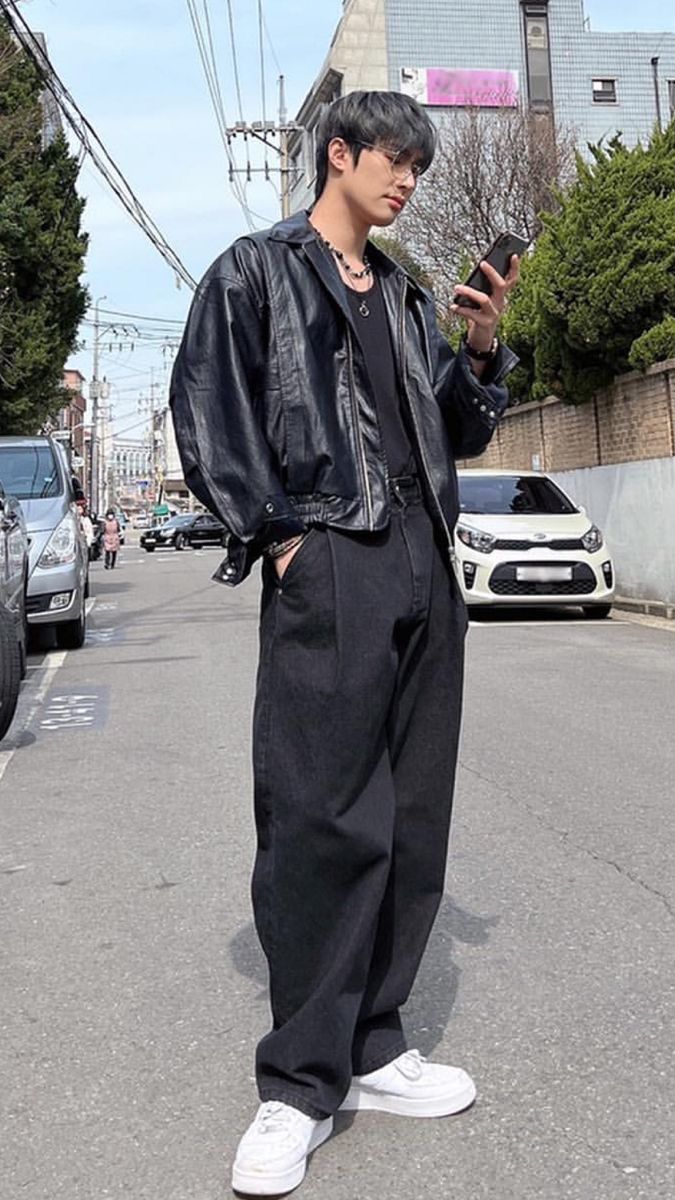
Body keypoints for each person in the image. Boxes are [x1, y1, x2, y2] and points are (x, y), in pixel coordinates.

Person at [170, 90, 520, 1196]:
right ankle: (298, 1084)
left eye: (419, 165)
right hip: (330, 557)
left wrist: (480, 346)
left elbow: (457, 432)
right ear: (340, 155)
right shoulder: (256, 272)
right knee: (323, 814)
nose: (408, 180)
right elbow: (209, 409)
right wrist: (275, 536)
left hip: (425, 557)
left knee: (412, 812)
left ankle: (374, 1046)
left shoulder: (411, 294)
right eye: (395, 160)